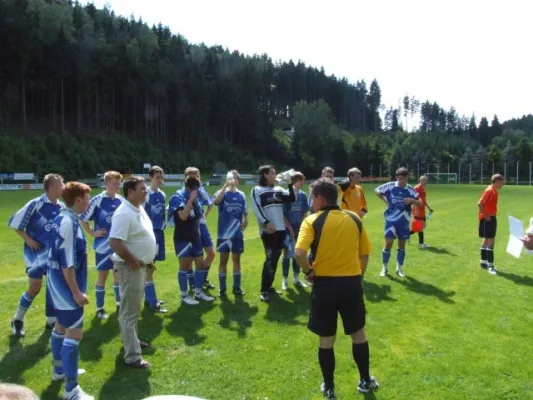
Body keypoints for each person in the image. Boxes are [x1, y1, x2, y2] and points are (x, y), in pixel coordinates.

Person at [294, 178, 379, 398]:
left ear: (321, 199)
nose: (312, 203)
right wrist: (358, 276)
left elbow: (299, 253)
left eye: (313, 198)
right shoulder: (354, 218)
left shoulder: (311, 221)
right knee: (358, 334)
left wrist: (308, 272)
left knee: (326, 339)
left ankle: (330, 387)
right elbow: (365, 253)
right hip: (351, 284)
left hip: (324, 286)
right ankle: (364, 381)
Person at [47, 182, 94, 400]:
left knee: (61, 325)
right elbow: (67, 262)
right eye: (87, 198)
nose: (89, 202)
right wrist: (76, 292)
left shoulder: (61, 217)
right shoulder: (69, 223)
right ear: (77, 200)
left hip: (55, 282)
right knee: (74, 331)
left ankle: (59, 371)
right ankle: (71, 390)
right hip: (65, 285)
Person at [8, 173, 65, 337]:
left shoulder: (61, 207)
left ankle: (51, 320)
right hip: (35, 255)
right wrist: (29, 240)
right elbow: (16, 223)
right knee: (34, 287)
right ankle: (17, 319)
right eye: (61, 184)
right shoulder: (36, 204)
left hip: (54, 255)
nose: (63, 186)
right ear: (52, 186)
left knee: (53, 286)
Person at [109, 176, 157, 369]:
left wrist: (147, 260)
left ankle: (132, 342)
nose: (145, 191)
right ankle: (132, 356)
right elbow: (115, 242)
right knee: (129, 312)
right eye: (142, 189)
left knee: (133, 308)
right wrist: (134, 261)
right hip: (130, 268)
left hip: (140, 266)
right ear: (130, 191)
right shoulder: (123, 213)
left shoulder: (138, 208)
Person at [80, 171, 123, 320]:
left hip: (118, 245)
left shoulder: (121, 201)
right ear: (107, 184)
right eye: (114, 183)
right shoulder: (98, 200)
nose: (117, 186)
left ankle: (119, 304)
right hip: (102, 246)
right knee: (103, 276)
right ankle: (100, 308)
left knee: (117, 274)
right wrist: (92, 233)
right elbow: (83, 218)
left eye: (119, 183)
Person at [251, 165, 296, 302]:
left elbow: (291, 198)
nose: (275, 175)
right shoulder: (257, 190)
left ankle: (269, 286)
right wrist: (266, 222)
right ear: (265, 174)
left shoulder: (278, 189)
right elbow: (256, 208)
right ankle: (264, 290)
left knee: (275, 258)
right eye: (272, 173)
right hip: (269, 229)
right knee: (270, 258)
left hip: (281, 229)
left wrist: (289, 183)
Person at [168, 174, 215, 305]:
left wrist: (199, 232)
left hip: (195, 236)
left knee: (200, 265)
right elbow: (183, 216)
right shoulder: (178, 197)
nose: (198, 192)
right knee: (184, 266)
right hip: (183, 237)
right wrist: (190, 201)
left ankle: (198, 292)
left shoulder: (196, 198)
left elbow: (199, 216)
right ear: (190, 187)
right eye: (196, 189)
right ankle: (184, 295)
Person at [375, 167, 422, 278]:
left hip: (404, 221)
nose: (402, 181)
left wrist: (412, 201)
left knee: (402, 246)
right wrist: (385, 200)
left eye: (404, 178)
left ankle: (399, 268)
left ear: (407, 178)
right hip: (390, 220)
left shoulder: (410, 189)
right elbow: (377, 191)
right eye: (400, 178)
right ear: (397, 177)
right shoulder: (390, 185)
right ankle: (385, 267)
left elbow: (420, 203)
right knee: (389, 243)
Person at [213, 170, 248, 297]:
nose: (233, 180)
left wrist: (246, 219)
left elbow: (245, 211)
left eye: (235, 178)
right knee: (223, 261)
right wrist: (225, 186)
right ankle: (222, 288)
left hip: (237, 234)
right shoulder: (221, 192)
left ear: (238, 180)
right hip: (223, 234)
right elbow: (216, 202)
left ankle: (236, 287)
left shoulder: (242, 195)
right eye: (230, 178)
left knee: (237, 260)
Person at [184, 167, 216, 291]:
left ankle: (201, 279)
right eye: (191, 175)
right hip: (190, 227)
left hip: (202, 225)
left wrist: (204, 216)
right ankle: (193, 284)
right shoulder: (183, 192)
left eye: (197, 175)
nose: (195, 177)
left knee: (211, 254)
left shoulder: (202, 190)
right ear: (185, 178)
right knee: (192, 257)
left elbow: (210, 203)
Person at [143, 166, 167, 313]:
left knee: (151, 267)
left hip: (159, 234)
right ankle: (153, 302)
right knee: (149, 268)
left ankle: (148, 298)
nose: (160, 180)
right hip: (148, 235)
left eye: (161, 177)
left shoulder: (162, 195)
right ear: (150, 177)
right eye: (157, 177)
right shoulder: (145, 194)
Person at [281, 171, 309, 289]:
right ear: (296, 181)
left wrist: (302, 225)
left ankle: (296, 279)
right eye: (301, 180)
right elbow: (282, 214)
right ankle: (285, 280)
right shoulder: (286, 194)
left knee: (297, 254)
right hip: (287, 228)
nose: (303, 183)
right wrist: (290, 228)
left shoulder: (302, 195)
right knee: (287, 254)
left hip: (299, 227)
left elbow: (304, 212)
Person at [478, 174, 505, 275]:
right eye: (502, 182)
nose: (503, 184)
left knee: (486, 240)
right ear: (497, 181)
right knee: (491, 242)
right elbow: (480, 204)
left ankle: (483, 262)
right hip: (488, 218)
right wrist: (486, 216)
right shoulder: (490, 191)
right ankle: (490, 266)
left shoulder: (493, 191)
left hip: (489, 218)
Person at [409, 175, 434, 248]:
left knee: (422, 226)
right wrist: (415, 209)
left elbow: (424, 200)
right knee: (419, 227)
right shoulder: (416, 188)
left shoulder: (423, 189)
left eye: (425, 180)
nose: (424, 182)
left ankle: (406, 235)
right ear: (420, 180)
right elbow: (413, 199)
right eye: (423, 180)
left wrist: (429, 208)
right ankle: (421, 243)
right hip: (417, 210)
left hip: (422, 210)